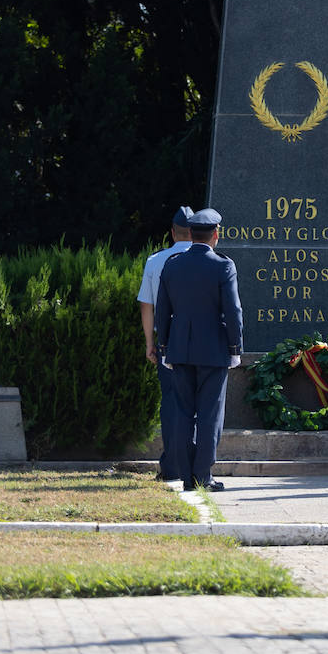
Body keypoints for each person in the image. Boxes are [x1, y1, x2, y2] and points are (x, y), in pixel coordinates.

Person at [155, 208, 243, 492]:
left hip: (179, 350)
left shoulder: (173, 264)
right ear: (216, 235)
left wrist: (164, 347)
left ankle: (186, 475)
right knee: (209, 414)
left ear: (190, 234)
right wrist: (235, 346)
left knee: (182, 413)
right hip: (214, 351)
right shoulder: (223, 266)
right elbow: (233, 311)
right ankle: (202, 475)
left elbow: (162, 312)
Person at [136, 205, 193, 480]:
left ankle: (171, 466)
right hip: (200, 341)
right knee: (197, 403)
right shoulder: (209, 259)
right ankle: (195, 465)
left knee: (171, 403)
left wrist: (150, 343)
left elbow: (147, 307)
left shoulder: (155, 261)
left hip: (167, 341)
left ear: (172, 232)